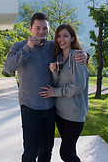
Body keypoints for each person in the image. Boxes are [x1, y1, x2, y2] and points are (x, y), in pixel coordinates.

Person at [4, 13, 88, 162]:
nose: (41, 32)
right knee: (31, 152)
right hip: (29, 107)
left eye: (45, 28)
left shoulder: (52, 46)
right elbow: (8, 68)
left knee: (46, 151)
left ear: (48, 30)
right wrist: (28, 47)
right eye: (37, 28)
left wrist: (86, 55)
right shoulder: (19, 46)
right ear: (30, 28)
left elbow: (69, 50)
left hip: (50, 109)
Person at [39, 24, 89, 162]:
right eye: (59, 36)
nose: (62, 39)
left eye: (66, 36)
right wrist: (54, 72)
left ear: (72, 38)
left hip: (75, 113)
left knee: (65, 154)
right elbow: (58, 83)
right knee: (71, 151)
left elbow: (78, 86)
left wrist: (54, 92)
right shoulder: (59, 57)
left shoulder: (77, 57)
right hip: (60, 113)